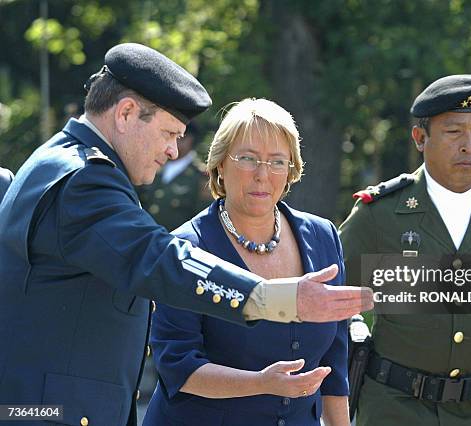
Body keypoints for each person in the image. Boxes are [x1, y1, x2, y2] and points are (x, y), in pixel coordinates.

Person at [0, 43, 371, 426]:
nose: (174, 151)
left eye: (277, 162)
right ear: (126, 113)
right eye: (168, 133)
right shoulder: (85, 180)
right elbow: (159, 259)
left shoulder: (63, 161)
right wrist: (268, 296)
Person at [340, 75, 471, 426]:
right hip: (393, 411)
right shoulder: (379, 215)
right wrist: (354, 331)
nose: (469, 145)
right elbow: (328, 301)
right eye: (454, 133)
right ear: (421, 138)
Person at [143, 98, 350, 426]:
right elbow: (177, 367)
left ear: (291, 170)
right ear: (220, 164)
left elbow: (335, 359)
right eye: (248, 159)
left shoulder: (323, 236)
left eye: (277, 162)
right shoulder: (185, 249)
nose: (262, 175)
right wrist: (261, 383)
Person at [138, 122, 214, 231]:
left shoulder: (201, 177)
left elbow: (202, 220)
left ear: (190, 140)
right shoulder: (154, 165)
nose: (172, 142)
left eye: (178, 137)